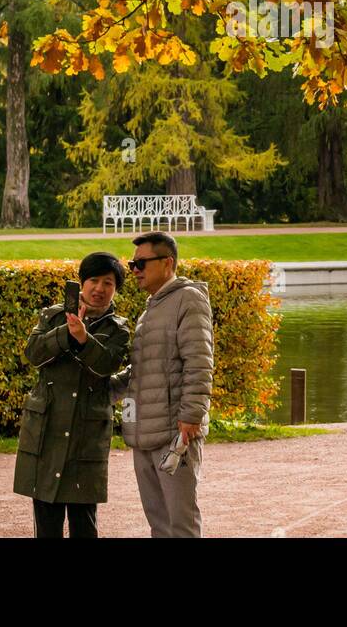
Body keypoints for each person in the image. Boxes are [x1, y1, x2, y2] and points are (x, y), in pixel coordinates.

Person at [13, 251, 130, 538]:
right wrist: (66, 331)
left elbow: (107, 365)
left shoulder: (119, 329)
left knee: (84, 524)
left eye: (108, 283)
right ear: (81, 282)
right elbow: (33, 354)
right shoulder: (52, 316)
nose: (100, 289)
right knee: (47, 523)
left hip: (86, 434)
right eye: (93, 280)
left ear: (115, 289)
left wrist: (83, 338)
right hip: (47, 429)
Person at [110, 230, 214, 538]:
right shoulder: (151, 307)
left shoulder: (188, 298)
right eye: (132, 264)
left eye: (141, 263)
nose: (135, 270)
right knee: (159, 524)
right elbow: (142, 369)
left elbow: (199, 360)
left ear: (167, 262)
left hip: (174, 434)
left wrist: (192, 416)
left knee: (180, 523)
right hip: (145, 434)